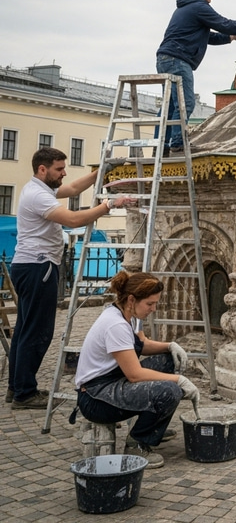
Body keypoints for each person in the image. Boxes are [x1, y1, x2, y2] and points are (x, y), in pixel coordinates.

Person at [7, 147, 135, 410]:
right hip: (38, 267)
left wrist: (102, 172)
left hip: (30, 265)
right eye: (59, 169)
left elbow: (74, 188)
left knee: (24, 330)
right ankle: (24, 393)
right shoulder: (37, 195)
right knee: (37, 332)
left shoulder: (41, 188)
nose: (64, 173)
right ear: (42, 169)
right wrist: (109, 205)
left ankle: (17, 387)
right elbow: (74, 220)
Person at [73, 270, 199, 469]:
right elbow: (135, 375)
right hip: (95, 397)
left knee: (167, 360)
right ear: (132, 299)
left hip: (113, 380)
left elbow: (143, 343)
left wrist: (170, 346)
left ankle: (152, 426)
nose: (154, 308)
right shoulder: (115, 325)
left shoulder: (128, 314)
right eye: (150, 303)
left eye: (155, 303)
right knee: (169, 391)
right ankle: (137, 443)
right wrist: (179, 380)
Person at [156, 0, 236, 155]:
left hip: (165, 58)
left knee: (169, 105)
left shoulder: (186, 8)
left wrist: (231, 37)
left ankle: (160, 146)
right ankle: (177, 143)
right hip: (178, 59)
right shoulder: (199, 7)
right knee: (185, 103)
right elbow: (223, 23)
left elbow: (207, 37)